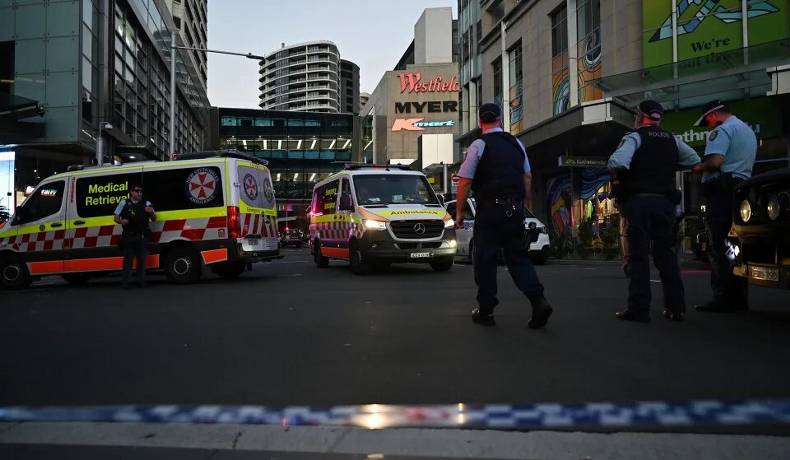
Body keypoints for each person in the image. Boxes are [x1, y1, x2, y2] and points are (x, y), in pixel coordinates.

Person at [454, 102, 552, 329]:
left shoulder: (479, 144)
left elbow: (465, 179)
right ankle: (538, 300)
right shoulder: (516, 143)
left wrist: (459, 211)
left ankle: (486, 310)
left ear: (480, 122)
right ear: (500, 119)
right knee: (518, 257)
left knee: (485, 259)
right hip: (514, 209)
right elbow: (527, 177)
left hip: (489, 210)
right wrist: (522, 204)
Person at [607, 100, 700, 322]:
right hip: (665, 205)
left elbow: (616, 161)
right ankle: (676, 307)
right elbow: (695, 161)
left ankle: (639, 308)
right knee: (666, 256)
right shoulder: (673, 139)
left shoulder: (635, 137)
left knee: (639, 257)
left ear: (640, 116)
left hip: (639, 203)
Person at [692, 100, 756, 313]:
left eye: (708, 122)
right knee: (736, 245)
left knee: (719, 244)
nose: (709, 127)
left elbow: (716, 161)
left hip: (721, 192)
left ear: (713, 116)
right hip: (742, 191)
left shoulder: (721, 131)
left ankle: (722, 297)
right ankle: (739, 298)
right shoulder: (746, 129)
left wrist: (699, 166)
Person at [114, 185, 155, 288]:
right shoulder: (124, 203)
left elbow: (154, 218)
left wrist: (150, 213)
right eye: (137, 191)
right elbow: (115, 217)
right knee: (128, 260)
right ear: (131, 192)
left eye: (141, 192)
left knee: (141, 260)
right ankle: (125, 282)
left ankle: (140, 281)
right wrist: (121, 221)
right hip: (129, 236)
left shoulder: (147, 203)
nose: (139, 193)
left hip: (142, 236)